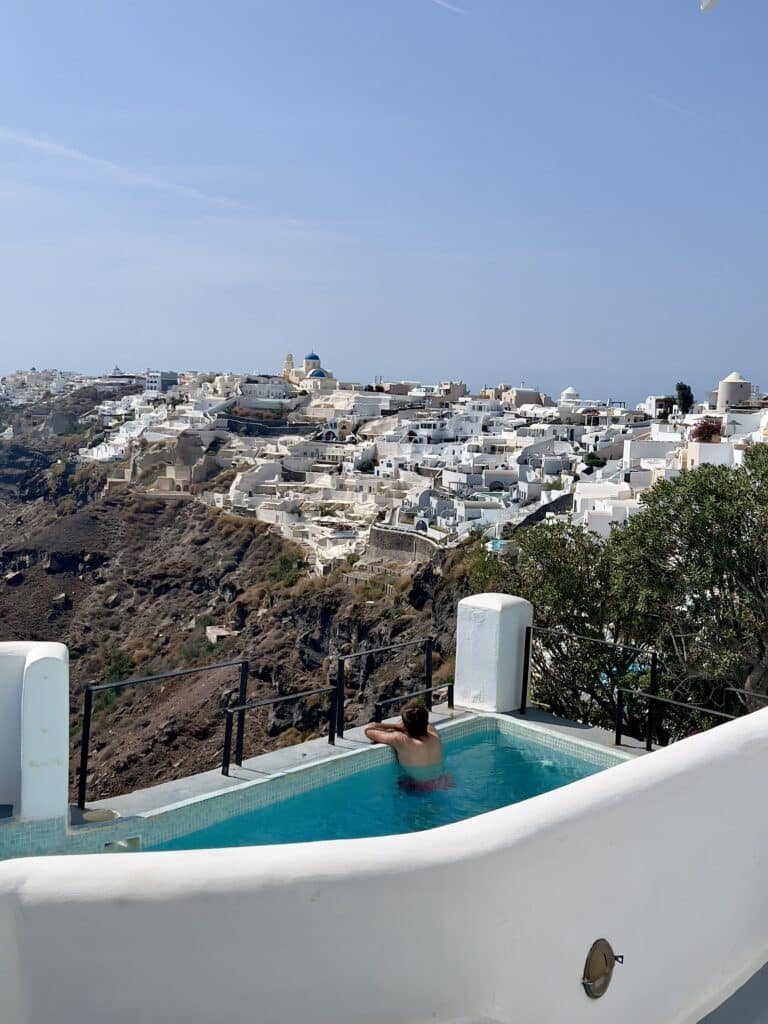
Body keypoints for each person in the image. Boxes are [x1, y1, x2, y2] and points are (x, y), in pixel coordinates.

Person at [364, 699, 452, 793]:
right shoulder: (435, 736)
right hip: (444, 782)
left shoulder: (402, 740)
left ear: (405, 726)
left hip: (419, 788)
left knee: (401, 782)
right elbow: (424, 723)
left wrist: (396, 726)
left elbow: (368, 729)